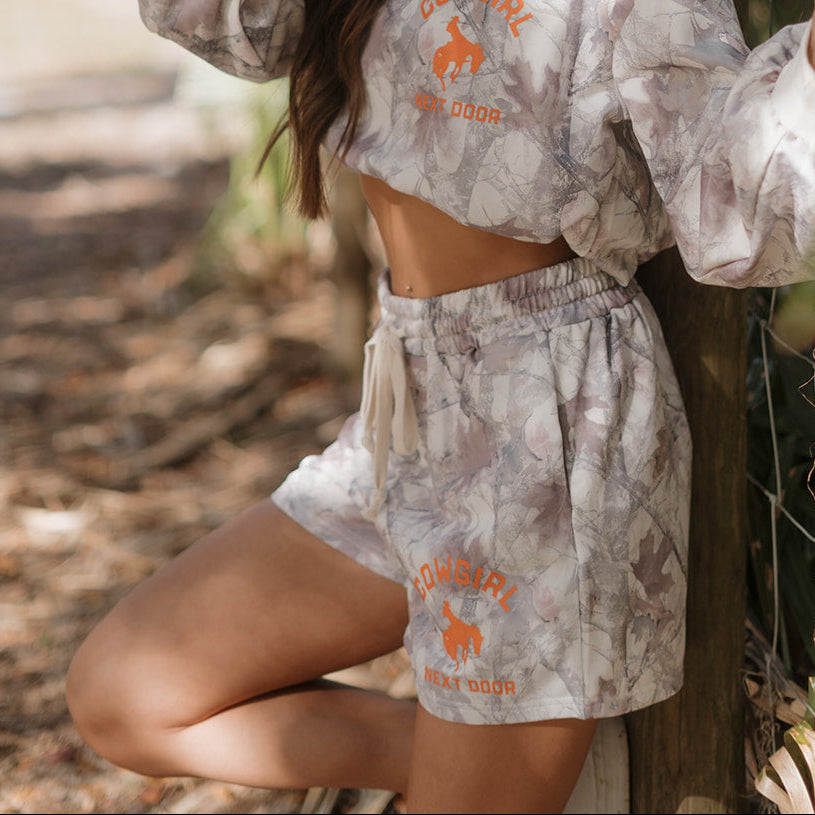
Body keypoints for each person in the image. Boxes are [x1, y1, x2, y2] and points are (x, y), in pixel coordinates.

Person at [66, 0, 815, 811]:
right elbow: (234, 27)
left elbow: (735, 202)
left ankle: (504, 766)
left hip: (547, 425)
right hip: (408, 403)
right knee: (125, 692)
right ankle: (508, 771)